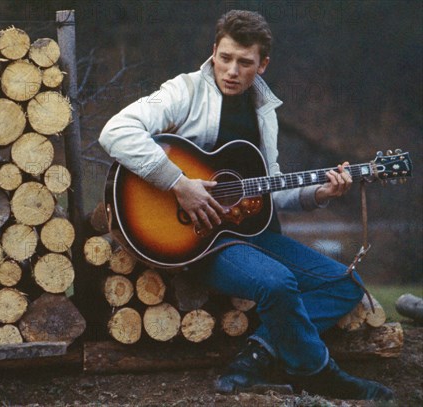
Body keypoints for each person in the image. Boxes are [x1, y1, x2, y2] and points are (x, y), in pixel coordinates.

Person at [98, 10, 394, 401]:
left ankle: (256, 355)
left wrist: (320, 193)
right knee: (276, 282)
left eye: (245, 62)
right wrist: (178, 182)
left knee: (344, 284)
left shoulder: (263, 109)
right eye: (225, 58)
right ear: (214, 52)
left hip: (252, 235)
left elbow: (267, 186)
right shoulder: (184, 91)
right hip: (198, 240)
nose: (232, 70)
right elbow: (115, 131)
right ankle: (319, 372)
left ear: (263, 64)